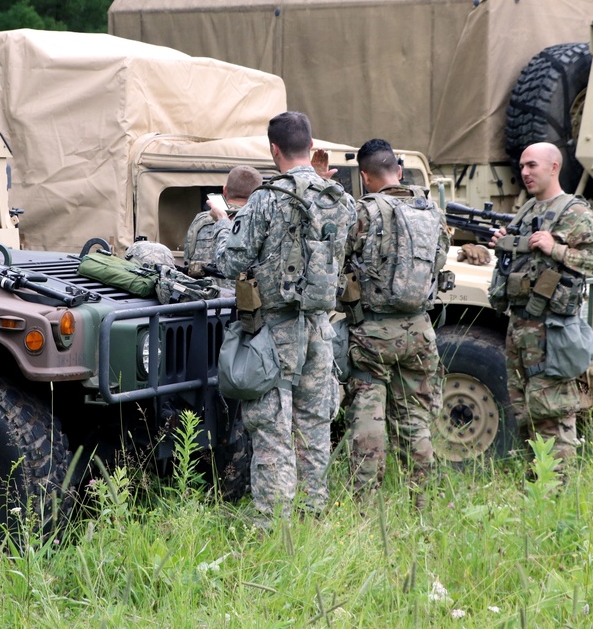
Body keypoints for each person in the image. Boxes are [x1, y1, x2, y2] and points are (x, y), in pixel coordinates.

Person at [211, 111, 354, 522]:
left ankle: (274, 526)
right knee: (313, 425)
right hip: (320, 327)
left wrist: (225, 224)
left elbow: (230, 259)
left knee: (272, 428)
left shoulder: (266, 198)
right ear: (311, 147)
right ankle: (312, 512)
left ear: (274, 150)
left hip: (274, 331)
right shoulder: (339, 199)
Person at [488, 142, 593, 471]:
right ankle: (538, 486)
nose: (525, 172)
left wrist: (556, 249)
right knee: (525, 412)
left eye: (532, 165)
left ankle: (559, 493)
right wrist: (507, 241)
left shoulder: (574, 212)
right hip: (520, 329)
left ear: (554, 167)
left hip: (551, 333)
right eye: (523, 167)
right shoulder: (527, 209)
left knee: (554, 414)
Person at [340, 139, 449, 502]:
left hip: (372, 332)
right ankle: (420, 500)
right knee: (415, 419)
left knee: (367, 417)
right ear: (399, 171)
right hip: (420, 329)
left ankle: (365, 504)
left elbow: (340, 261)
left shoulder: (364, 212)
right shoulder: (430, 212)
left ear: (365, 176)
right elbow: (439, 261)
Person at [183, 165, 263, 288]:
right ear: (257, 195)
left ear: (225, 190)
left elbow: (188, 261)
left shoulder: (200, 220)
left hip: (203, 297)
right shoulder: (259, 223)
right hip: (241, 302)